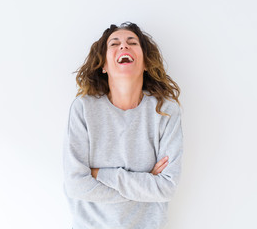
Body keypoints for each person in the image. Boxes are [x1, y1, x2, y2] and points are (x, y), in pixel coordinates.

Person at [63, 22, 183, 229]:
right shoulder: (83, 109)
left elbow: (166, 187)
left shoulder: (165, 111)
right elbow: (75, 185)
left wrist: (98, 173)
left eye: (132, 42)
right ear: (104, 65)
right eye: (114, 43)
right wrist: (145, 183)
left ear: (145, 62)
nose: (124, 46)